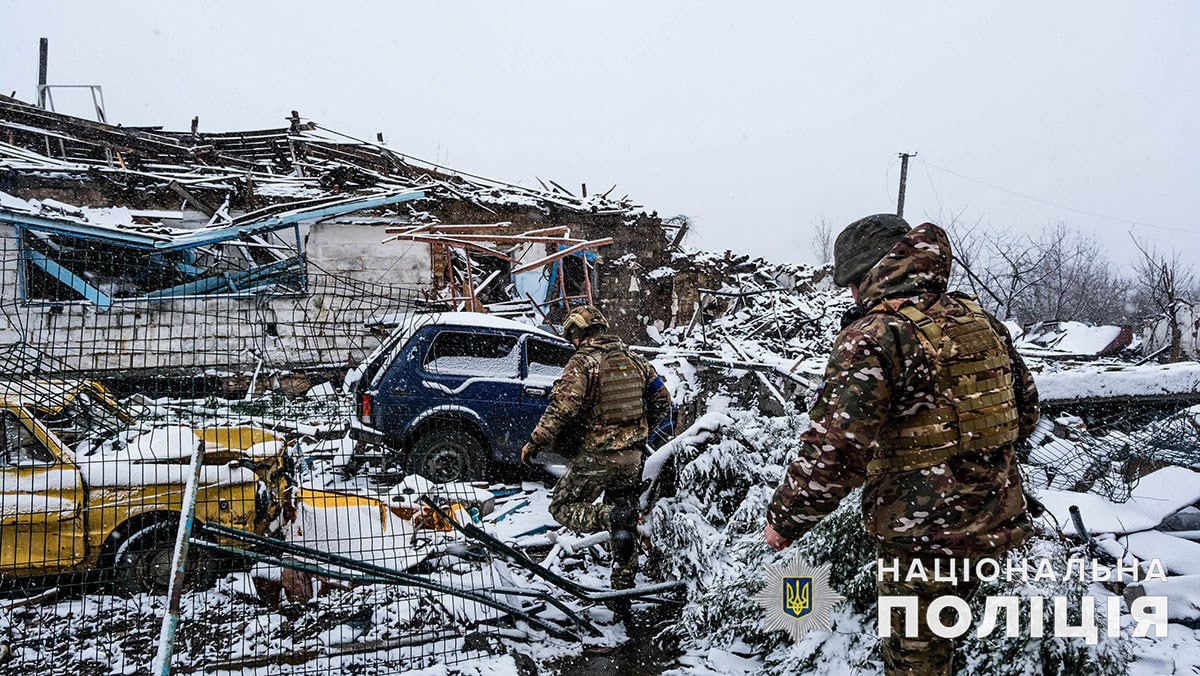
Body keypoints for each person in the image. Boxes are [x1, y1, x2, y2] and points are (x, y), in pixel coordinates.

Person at [765, 215, 1040, 675]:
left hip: (922, 539)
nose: (853, 296)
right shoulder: (978, 320)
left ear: (871, 273)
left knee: (915, 662)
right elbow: (1025, 413)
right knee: (949, 642)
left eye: (853, 283)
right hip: (995, 522)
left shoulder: (876, 335)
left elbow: (835, 449)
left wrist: (786, 520)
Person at [521, 305, 672, 601]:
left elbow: (562, 408)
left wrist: (536, 442)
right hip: (632, 457)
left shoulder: (583, 362)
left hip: (597, 456)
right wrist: (638, 433)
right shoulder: (636, 360)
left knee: (562, 506)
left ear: (578, 333)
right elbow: (663, 400)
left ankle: (613, 517)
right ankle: (623, 589)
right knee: (624, 524)